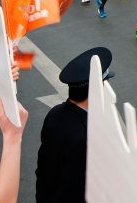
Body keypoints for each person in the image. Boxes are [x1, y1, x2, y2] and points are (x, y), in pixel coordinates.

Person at [36, 47, 115, 203]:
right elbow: (79, 188)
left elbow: (45, 170)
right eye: (105, 84)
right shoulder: (86, 136)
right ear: (96, 89)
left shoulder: (55, 113)